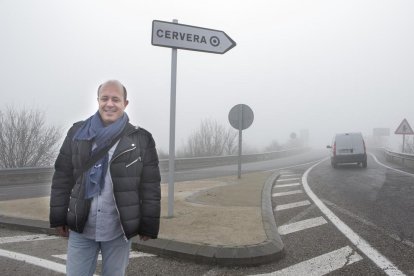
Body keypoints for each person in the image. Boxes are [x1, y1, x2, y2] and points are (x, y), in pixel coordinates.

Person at [49, 80, 161, 276]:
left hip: (118, 229)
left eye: (115, 99)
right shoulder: (77, 132)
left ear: (125, 103)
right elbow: (62, 177)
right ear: (98, 101)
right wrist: (58, 218)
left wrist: (148, 225)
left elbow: (150, 185)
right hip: (81, 227)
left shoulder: (141, 139)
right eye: (105, 98)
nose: (110, 104)